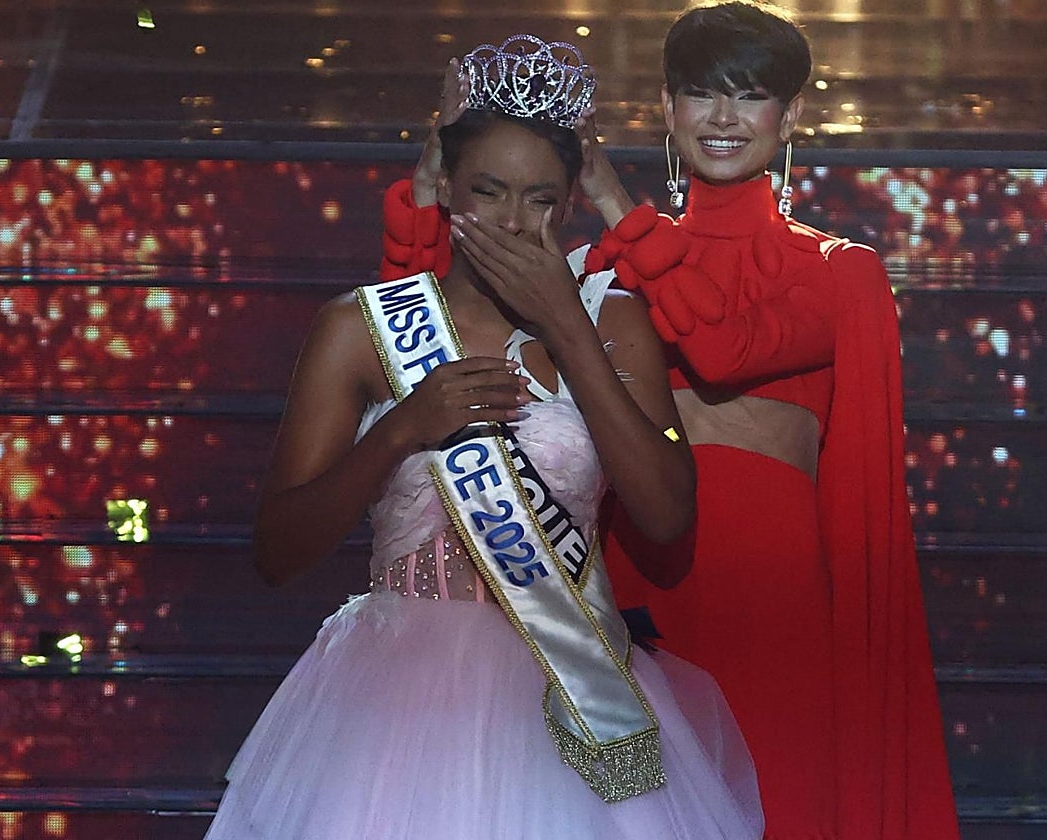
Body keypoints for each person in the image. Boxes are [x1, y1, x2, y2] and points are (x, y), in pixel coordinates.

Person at [378, 5, 960, 839]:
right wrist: (434, 179)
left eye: (751, 96)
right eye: (700, 94)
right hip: (635, 577)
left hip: (771, 602)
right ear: (667, 107)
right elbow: (429, 338)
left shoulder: (837, 272)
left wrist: (613, 199)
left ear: (790, 115)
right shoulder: (596, 267)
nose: (723, 118)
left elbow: (722, 347)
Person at [204, 34, 764, 840]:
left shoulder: (613, 321)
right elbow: (278, 551)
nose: (510, 221)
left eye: (538, 199)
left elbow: (669, 514)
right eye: (489, 191)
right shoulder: (362, 330)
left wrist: (569, 329)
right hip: (394, 697)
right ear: (448, 191)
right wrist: (401, 430)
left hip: (569, 687)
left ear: (568, 201)